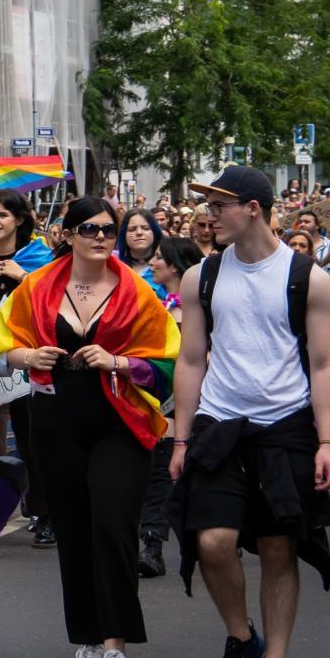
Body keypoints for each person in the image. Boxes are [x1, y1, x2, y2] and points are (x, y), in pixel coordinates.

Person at [0, 197, 180, 658]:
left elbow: (167, 362)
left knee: (113, 526)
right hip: (55, 421)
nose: (101, 238)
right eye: (90, 229)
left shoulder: (138, 291)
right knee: (74, 530)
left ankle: (115, 647)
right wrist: (29, 353)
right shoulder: (35, 287)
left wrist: (117, 362)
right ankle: (87, 641)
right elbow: (1, 349)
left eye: (108, 230)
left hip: (120, 419)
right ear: (68, 235)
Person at [169, 165, 330, 658]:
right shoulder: (203, 276)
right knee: (213, 541)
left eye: (219, 205)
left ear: (253, 208)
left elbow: (323, 362)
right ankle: (242, 639)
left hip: (286, 426)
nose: (208, 215)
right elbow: (191, 358)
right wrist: (180, 437)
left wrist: (326, 442)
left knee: (277, 546)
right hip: (221, 424)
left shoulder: (305, 277)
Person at [0, 188, 55, 550]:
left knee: (34, 441)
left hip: (30, 361)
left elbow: (52, 308)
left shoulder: (40, 260)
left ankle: (46, 513)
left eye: (3, 215)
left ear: (19, 219)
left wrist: (24, 278)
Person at [138, 236, 204, 577]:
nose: (152, 264)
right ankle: (151, 542)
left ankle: (215, 533)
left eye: (159, 258)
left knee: (197, 469)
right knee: (160, 469)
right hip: (163, 398)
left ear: (175, 264)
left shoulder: (200, 305)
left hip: (203, 397)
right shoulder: (156, 305)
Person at [119, 209, 165, 299]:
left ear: (154, 232)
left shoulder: (169, 266)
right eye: (132, 229)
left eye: (146, 228)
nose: (139, 233)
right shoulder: (114, 266)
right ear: (124, 234)